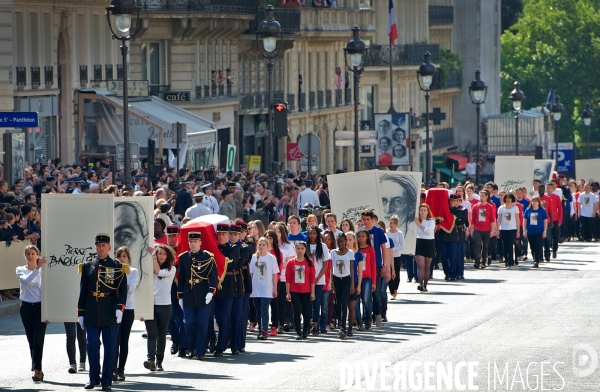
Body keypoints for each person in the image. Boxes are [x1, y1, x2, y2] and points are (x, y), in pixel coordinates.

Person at [78, 233, 129, 391]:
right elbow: (82, 291)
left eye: (103, 246)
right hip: (92, 310)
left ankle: (106, 380)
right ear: (95, 247)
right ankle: (93, 378)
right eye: (98, 246)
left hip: (110, 310)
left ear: (109, 247)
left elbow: (122, 291)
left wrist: (120, 308)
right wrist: (80, 312)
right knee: (92, 344)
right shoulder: (87, 266)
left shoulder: (118, 266)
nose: (100, 248)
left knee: (110, 346)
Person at [177, 231, 217, 360]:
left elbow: (213, 277)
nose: (193, 244)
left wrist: (211, 291)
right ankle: (192, 347)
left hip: (203, 294)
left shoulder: (208, 257)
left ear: (200, 242)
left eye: (195, 242)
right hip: (188, 294)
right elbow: (181, 277)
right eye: (191, 242)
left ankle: (200, 351)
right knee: (188, 323)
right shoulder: (184, 257)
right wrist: (180, 296)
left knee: (202, 324)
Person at [16, 245, 49, 383]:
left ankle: (37, 370)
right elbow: (25, 280)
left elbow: (47, 290)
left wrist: (49, 311)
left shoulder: (43, 271)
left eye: (33, 253)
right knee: (31, 339)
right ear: (25, 256)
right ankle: (36, 367)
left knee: (38, 339)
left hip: (40, 307)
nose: (30, 256)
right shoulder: (20, 269)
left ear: (37, 255)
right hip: (26, 308)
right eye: (28, 254)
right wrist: (37, 268)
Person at [143, 245, 176, 372]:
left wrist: (153, 256)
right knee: (152, 334)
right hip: (150, 305)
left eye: (163, 254)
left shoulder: (171, 269)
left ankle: (159, 361)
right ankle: (150, 359)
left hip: (165, 306)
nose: (161, 256)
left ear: (168, 256)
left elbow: (158, 272)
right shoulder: (149, 268)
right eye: (159, 253)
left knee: (161, 335)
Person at [112, 247, 138, 382]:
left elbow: (130, 289)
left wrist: (119, 285)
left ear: (128, 258)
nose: (121, 259)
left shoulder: (133, 271)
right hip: (114, 308)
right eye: (119, 256)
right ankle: (113, 369)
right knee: (114, 340)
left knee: (123, 340)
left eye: (124, 256)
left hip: (128, 309)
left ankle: (121, 369)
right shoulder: (112, 271)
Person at [285, 241, 316, 340]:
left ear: (305, 249)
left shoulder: (309, 262)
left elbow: (312, 278)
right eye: (298, 248)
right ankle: (298, 332)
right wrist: (288, 292)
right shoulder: (291, 262)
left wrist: (313, 292)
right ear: (295, 249)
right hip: (295, 291)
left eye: (302, 248)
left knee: (306, 312)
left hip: (306, 291)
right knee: (297, 311)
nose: (300, 250)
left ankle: (306, 330)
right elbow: (288, 278)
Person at [250, 237, 280, 340]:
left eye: (263, 245)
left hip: (267, 288)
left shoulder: (271, 258)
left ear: (268, 247)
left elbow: (274, 274)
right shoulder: (254, 257)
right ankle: (260, 330)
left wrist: (275, 289)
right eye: (259, 244)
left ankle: (264, 330)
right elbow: (251, 273)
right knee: (258, 310)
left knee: (264, 309)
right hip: (256, 288)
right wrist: (250, 288)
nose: (261, 247)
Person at [307, 225, 330, 335]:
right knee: (307, 304)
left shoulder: (323, 246)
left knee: (316, 303)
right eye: (310, 233)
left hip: (319, 280)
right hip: (306, 280)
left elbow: (325, 265)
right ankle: (308, 325)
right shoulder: (305, 246)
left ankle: (316, 326)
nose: (312, 235)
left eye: (314, 233)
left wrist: (316, 279)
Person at [330, 233, 354, 339]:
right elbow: (331, 268)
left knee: (344, 304)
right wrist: (332, 283)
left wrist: (352, 284)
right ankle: (340, 325)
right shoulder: (333, 253)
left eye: (342, 241)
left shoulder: (350, 253)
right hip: (336, 279)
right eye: (338, 241)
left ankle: (343, 327)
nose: (340, 243)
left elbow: (352, 270)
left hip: (346, 279)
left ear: (345, 241)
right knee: (338, 304)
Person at [355, 229, 375, 330]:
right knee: (357, 300)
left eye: (363, 236)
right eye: (359, 237)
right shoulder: (355, 250)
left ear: (367, 237)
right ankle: (359, 321)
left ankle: (368, 317)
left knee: (366, 300)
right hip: (356, 278)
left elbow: (373, 266)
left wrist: (374, 281)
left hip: (367, 278)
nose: (361, 239)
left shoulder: (370, 249)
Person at [471, 190, 496, 269]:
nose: (481, 197)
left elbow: (492, 219)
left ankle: (483, 262)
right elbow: (473, 219)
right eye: (480, 196)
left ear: (486, 197)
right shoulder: (475, 206)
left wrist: (492, 230)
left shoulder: (490, 207)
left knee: (485, 246)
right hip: (477, 229)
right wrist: (471, 229)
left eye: (483, 196)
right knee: (477, 245)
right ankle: (477, 262)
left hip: (487, 229)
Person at [345, 231, 363, 337]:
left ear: (354, 240)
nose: (348, 242)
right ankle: (342, 326)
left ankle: (354, 324)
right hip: (343, 281)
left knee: (353, 305)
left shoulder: (358, 254)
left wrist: (359, 285)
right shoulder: (340, 253)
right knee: (343, 306)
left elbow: (360, 271)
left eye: (350, 239)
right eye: (346, 240)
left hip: (354, 282)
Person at [414, 204, 435, 292]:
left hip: (429, 243)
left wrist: (419, 225)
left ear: (427, 212)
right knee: (420, 265)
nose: (422, 212)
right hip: (419, 242)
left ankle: (425, 285)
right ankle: (420, 283)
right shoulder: (416, 220)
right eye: (421, 210)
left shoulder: (431, 221)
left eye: (424, 210)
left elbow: (428, 231)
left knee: (427, 266)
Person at [497, 192, 521, 268]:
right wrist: (497, 230)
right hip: (503, 229)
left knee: (510, 245)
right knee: (505, 245)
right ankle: (506, 260)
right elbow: (499, 219)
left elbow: (517, 220)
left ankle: (511, 260)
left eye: (509, 198)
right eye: (506, 198)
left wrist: (518, 230)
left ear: (512, 199)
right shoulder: (501, 208)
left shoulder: (515, 208)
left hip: (512, 229)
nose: (508, 200)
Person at [523, 196, 548, 268]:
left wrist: (545, 231)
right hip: (530, 231)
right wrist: (524, 230)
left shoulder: (542, 210)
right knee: (532, 246)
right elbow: (524, 221)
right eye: (533, 201)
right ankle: (534, 258)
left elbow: (545, 221)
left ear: (538, 202)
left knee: (538, 246)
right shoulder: (528, 210)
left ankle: (536, 260)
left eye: (535, 201)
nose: (534, 203)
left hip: (539, 231)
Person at [386, 215, 405, 299]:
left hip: (396, 256)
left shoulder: (399, 233)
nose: (392, 225)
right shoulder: (386, 233)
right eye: (390, 223)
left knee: (396, 274)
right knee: (389, 272)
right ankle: (391, 291)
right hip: (388, 257)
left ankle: (396, 288)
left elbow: (402, 246)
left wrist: (392, 249)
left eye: (394, 223)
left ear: (397, 224)